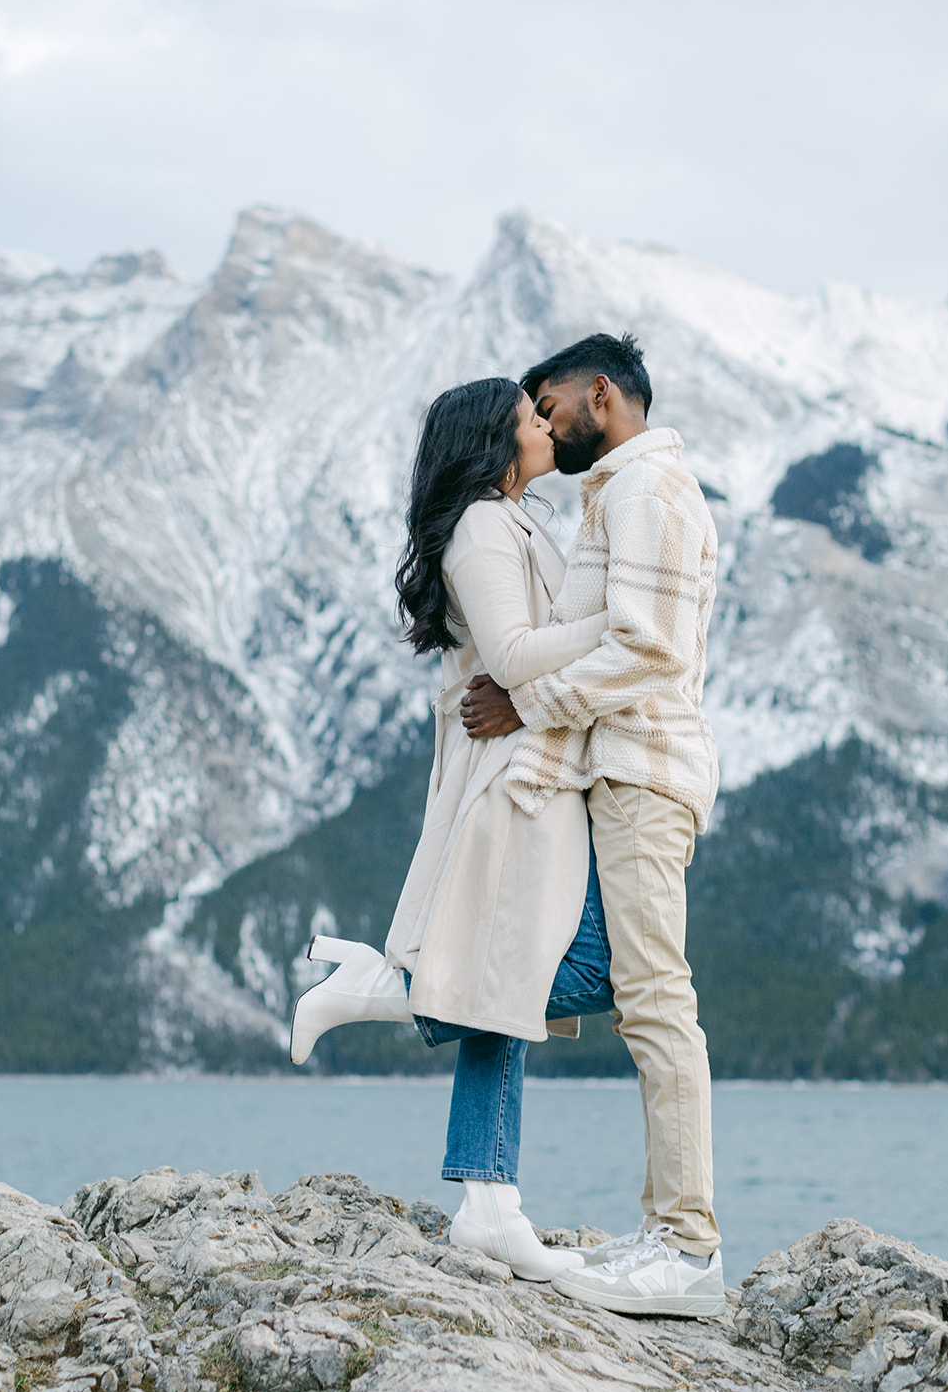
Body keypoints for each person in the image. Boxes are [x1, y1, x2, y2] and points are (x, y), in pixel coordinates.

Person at [290, 376, 619, 1284]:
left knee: (509, 981)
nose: (544, 425)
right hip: (514, 782)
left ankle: (487, 1201)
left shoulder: (514, 519)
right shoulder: (481, 525)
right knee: (599, 963)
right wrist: (618, 624)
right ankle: (378, 986)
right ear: (492, 442)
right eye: (527, 418)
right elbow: (511, 656)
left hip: (539, 768)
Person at [462, 332, 725, 1318]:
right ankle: (666, 1230)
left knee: (656, 999)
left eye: (549, 402)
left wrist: (528, 705)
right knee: (632, 990)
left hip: (642, 770)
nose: (542, 420)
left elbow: (647, 650)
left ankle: (686, 1247)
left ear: (600, 394)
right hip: (619, 769)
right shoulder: (619, 491)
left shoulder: (641, 489)